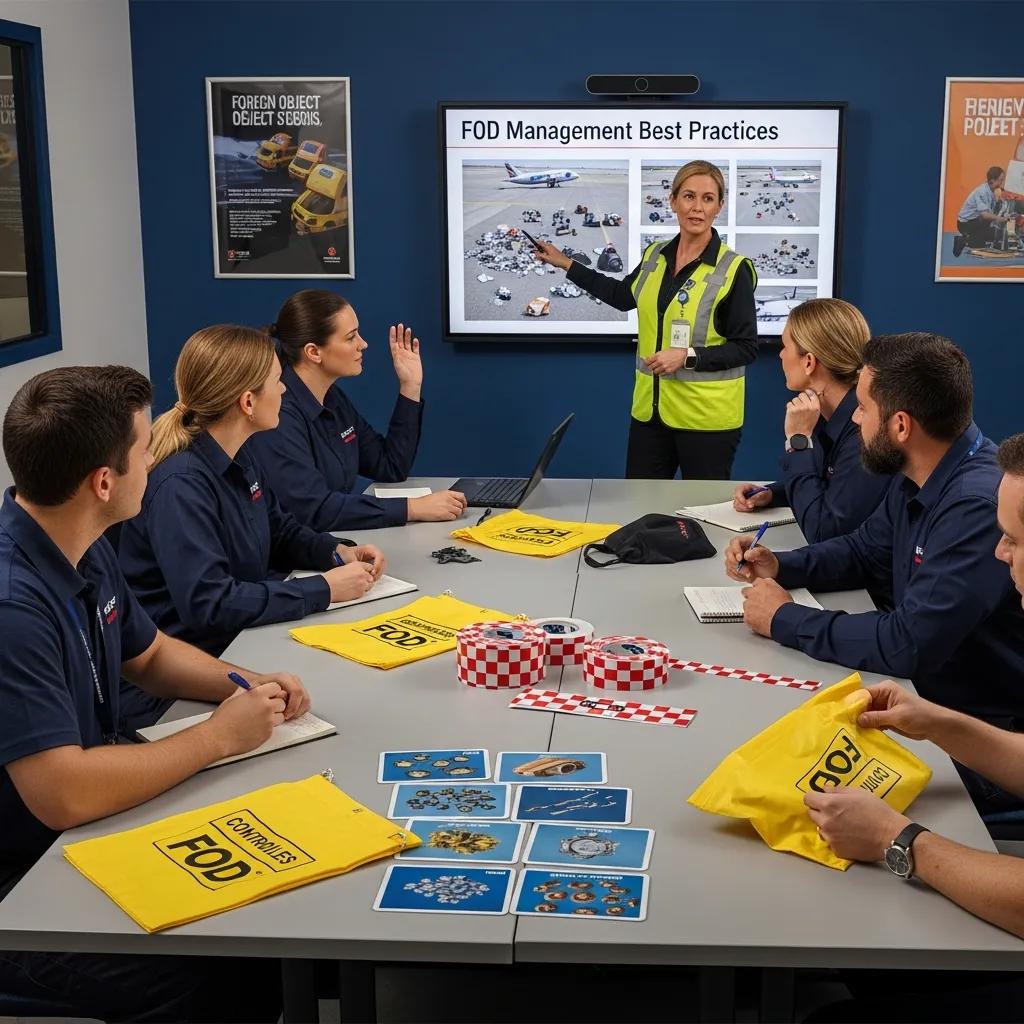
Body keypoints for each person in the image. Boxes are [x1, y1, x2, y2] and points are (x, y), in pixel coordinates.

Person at [0, 365, 296, 1020]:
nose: (155, 456)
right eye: (142, 449)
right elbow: (65, 793)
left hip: (79, 832)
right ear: (103, 482)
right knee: (206, 975)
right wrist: (218, 737)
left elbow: (151, 654)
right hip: (20, 882)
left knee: (259, 947)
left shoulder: (80, 535)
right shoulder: (14, 605)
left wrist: (247, 685)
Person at [725, 333, 1024, 732]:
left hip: (971, 731)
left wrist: (784, 618)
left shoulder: (973, 507)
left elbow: (907, 643)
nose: (854, 418)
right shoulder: (918, 470)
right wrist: (781, 565)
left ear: (901, 425)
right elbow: (864, 551)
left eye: (863, 408)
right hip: (922, 702)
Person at [119, 325, 386, 659]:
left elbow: (280, 531)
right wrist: (325, 589)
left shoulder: (239, 453)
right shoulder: (181, 485)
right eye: (277, 380)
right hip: (201, 664)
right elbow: (211, 604)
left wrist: (335, 552)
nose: (285, 390)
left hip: (246, 638)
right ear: (247, 401)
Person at [534, 160, 758, 481]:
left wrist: (687, 356)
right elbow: (623, 296)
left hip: (706, 422)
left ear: (719, 206)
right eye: (689, 196)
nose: (697, 208)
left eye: (708, 199)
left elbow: (746, 348)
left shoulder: (732, 269)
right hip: (650, 415)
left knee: (703, 519)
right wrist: (566, 263)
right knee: (641, 512)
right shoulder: (655, 256)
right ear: (673, 201)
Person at [246, 289, 466, 530]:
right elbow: (313, 510)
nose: (363, 344)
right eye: (351, 337)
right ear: (313, 352)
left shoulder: (332, 398)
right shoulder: (279, 414)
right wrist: (412, 508)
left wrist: (410, 386)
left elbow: (389, 466)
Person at [733, 298, 892, 542]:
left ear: (809, 362)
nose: (780, 354)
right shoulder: (827, 412)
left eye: (785, 346)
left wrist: (798, 441)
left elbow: (823, 532)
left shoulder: (864, 433)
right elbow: (827, 482)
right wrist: (773, 493)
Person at [953, 165, 1010, 256]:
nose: (1002, 183)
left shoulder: (992, 189)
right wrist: (1001, 219)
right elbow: (984, 215)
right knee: (980, 244)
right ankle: (963, 240)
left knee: (993, 235)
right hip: (966, 223)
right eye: (1001, 180)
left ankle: (972, 237)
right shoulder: (982, 192)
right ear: (992, 181)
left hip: (977, 221)